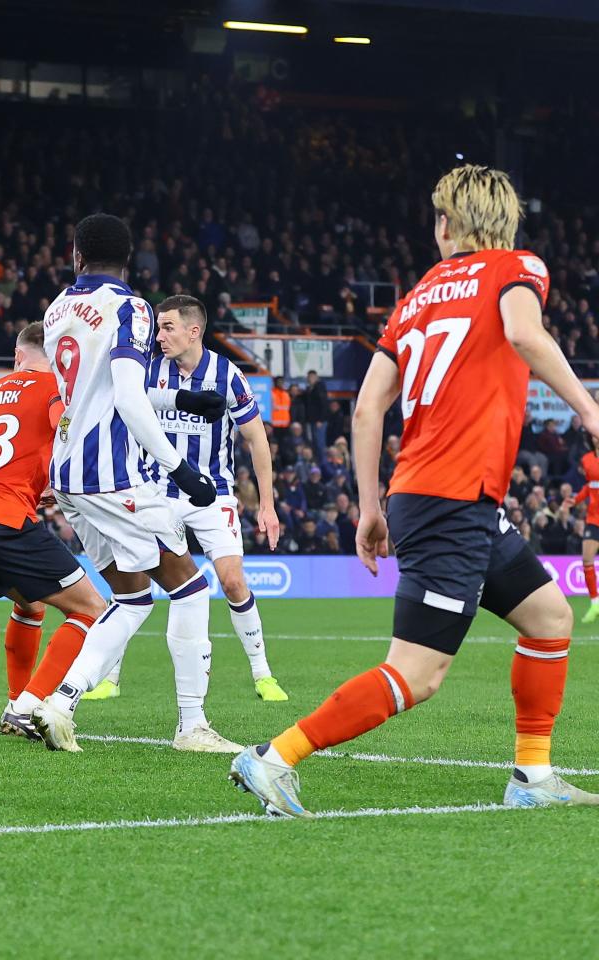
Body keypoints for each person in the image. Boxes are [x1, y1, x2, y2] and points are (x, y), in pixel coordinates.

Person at [231, 164, 599, 816]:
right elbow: (523, 332)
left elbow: (368, 409)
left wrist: (371, 508)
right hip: (451, 499)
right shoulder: (518, 267)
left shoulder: (418, 295)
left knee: (550, 618)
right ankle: (274, 756)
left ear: (448, 223)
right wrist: (590, 410)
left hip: (439, 495)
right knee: (417, 674)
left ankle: (533, 777)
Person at [31, 213, 220, 752]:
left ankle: (61, 702)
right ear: (129, 258)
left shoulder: (56, 309)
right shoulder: (131, 308)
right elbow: (128, 397)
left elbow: (97, 389)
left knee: (132, 598)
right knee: (189, 587)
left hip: (69, 474)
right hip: (113, 475)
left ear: (77, 256)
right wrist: (180, 468)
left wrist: (180, 398)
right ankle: (192, 726)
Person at [87, 294, 289, 710]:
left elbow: (257, 440)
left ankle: (263, 674)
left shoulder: (228, 375)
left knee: (232, 581)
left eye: (167, 327)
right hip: (157, 491)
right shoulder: (146, 371)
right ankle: (110, 678)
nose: (159, 336)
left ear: (193, 331)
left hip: (212, 493)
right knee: (132, 583)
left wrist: (267, 505)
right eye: (158, 328)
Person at [0, 321, 109, 739]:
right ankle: (29, 704)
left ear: (17, 356)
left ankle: (15, 703)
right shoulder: (53, 385)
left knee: (31, 605)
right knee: (91, 609)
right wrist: (64, 478)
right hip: (2, 519)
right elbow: (66, 427)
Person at [568, 433, 599, 623]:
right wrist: (576, 499)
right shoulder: (587, 459)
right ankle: (595, 603)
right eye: (594, 435)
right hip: (594, 518)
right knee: (587, 559)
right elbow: (591, 485)